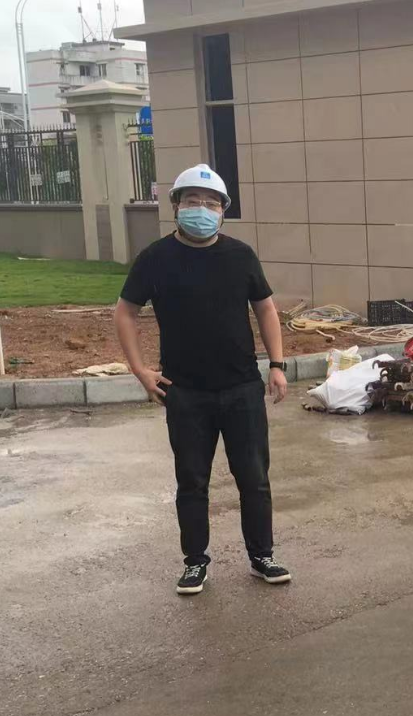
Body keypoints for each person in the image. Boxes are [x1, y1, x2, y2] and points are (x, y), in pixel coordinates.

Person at [114, 164, 291, 595]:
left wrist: (277, 364)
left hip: (241, 388)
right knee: (192, 482)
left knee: (254, 478)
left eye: (211, 203)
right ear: (176, 206)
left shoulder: (240, 256)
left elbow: (265, 308)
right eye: (192, 201)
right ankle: (195, 562)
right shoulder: (155, 259)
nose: (202, 209)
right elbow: (125, 312)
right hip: (185, 392)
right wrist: (141, 370)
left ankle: (262, 556)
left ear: (223, 211)